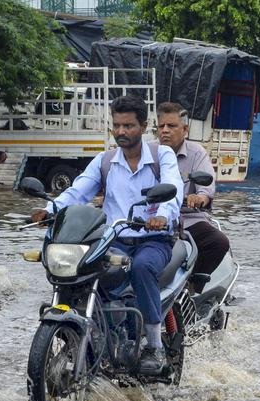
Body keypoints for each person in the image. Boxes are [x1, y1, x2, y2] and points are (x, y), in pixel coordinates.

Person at [29, 94, 183, 374]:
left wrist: (162, 215)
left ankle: (155, 347)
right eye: (117, 126)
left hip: (153, 240)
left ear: (144, 126)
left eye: (129, 126)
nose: (122, 132)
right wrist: (49, 209)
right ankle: (97, 332)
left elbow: (173, 187)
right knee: (84, 270)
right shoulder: (105, 161)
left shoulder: (163, 155)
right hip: (114, 240)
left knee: (142, 267)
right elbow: (78, 191)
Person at [154, 102, 230, 277]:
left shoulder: (196, 152)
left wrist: (199, 198)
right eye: (161, 126)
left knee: (219, 242)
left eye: (171, 126)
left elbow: (206, 188)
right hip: (150, 220)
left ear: (185, 129)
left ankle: (194, 285)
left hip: (187, 219)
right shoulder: (147, 151)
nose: (165, 130)